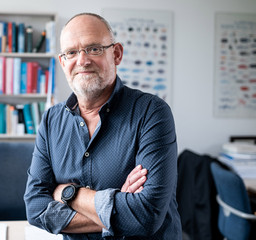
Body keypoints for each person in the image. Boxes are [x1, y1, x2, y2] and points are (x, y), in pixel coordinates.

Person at [24, 12, 181, 239]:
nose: (82, 60)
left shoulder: (152, 113)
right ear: (62, 62)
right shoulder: (51, 121)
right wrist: (118, 209)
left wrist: (69, 194)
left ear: (116, 54)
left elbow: (146, 216)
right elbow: (35, 209)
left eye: (94, 49)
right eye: (71, 52)